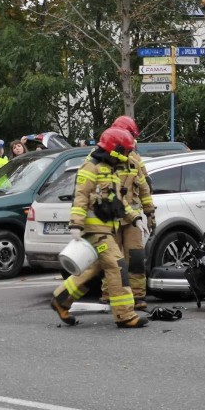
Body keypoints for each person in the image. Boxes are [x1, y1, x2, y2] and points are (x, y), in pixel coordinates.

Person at [49, 127, 149, 329]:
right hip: (96, 231)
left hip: (107, 229)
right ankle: (125, 315)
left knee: (97, 268)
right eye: (125, 151)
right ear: (114, 149)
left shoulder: (110, 169)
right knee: (116, 265)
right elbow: (80, 198)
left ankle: (61, 299)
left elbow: (118, 202)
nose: (127, 155)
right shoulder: (91, 167)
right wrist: (75, 225)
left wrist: (136, 218)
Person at [107, 115, 156, 310]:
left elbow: (145, 188)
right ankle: (110, 295)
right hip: (111, 218)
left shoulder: (134, 160)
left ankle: (138, 296)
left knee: (136, 257)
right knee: (113, 260)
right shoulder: (102, 158)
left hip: (133, 220)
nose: (133, 143)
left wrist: (150, 214)